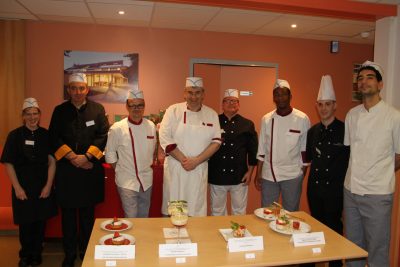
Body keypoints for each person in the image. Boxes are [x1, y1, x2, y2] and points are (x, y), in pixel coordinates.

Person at [49, 73, 109, 267]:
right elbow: (54, 138)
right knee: (67, 216)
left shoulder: (97, 109)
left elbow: (102, 136)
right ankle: (69, 253)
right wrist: (72, 157)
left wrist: (86, 157)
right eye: (73, 88)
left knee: (86, 215)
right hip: (67, 170)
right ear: (68, 90)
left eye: (81, 88)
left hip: (88, 170)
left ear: (87, 90)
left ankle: (85, 250)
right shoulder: (59, 111)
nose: (77, 92)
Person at [343, 61, 400, 267]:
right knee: (352, 248)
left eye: (369, 78)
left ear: (380, 84)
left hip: (377, 194)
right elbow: (351, 151)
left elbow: (398, 155)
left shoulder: (394, 116)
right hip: (351, 191)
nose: (364, 82)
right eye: (360, 78)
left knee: (377, 249)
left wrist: (379, 173)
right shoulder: (352, 115)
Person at [1, 98, 57, 267]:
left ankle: (36, 253)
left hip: (42, 186)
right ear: (23, 116)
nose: (32, 117)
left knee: (40, 222)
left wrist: (48, 185)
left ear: (39, 115)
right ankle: (25, 254)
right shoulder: (14, 135)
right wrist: (17, 187)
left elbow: (52, 161)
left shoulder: (46, 135)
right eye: (28, 114)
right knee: (26, 222)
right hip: (22, 186)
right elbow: (8, 163)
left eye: (35, 114)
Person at [159, 77, 221, 216]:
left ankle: (195, 237)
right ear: (184, 93)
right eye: (190, 92)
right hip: (177, 170)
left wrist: (196, 161)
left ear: (203, 94)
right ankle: (175, 237)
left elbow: (216, 142)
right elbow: (164, 137)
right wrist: (184, 160)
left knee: (195, 211)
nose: (194, 97)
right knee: (175, 213)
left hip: (198, 170)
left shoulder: (211, 114)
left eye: (197, 92)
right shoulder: (173, 110)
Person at [306, 75, 349, 267]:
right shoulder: (312, 131)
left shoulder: (345, 129)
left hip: (335, 190)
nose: (323, 108)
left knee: (333, 230)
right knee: (315, 229)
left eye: (328, 104)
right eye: (320, 104)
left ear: (335, 106)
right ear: (317, 106)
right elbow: (309, 158)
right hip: (314, 189)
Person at [255, 79, 310, 211]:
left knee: (290, 214)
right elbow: (261, 149)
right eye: (277, 95)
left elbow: (305, 150)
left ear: (290, 96)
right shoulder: (266, 119)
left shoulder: (302, 118)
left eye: (284, 94)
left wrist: (301, 173)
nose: (280, 98)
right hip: (269, 175)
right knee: (267, 213)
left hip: (292, 175)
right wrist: (258, 174)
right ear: (273, 98)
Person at [105, 89, 157, 218]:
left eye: (140, 105)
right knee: (131, 217)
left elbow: (154, 149)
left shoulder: (151, 126)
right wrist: (121, 170)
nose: (136, 108)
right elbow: (110, 153)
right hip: (126, 181)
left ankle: (142, 239)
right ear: (127, 106)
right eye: (132, 105)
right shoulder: (117, 128)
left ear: (144, 106)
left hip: (146, 180)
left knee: (144, 216)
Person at [208, 89, 258, 215]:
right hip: (217, 174)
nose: (231, 103)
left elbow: (253, 151)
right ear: (222, 104)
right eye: (227, 101)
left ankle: (238, 235)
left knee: (239, 211)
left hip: (239, 175)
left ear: (239, 105)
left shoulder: (247, 124)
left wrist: (250, 172)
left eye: (234, 101)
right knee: (217, 210)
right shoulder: (213, 122)